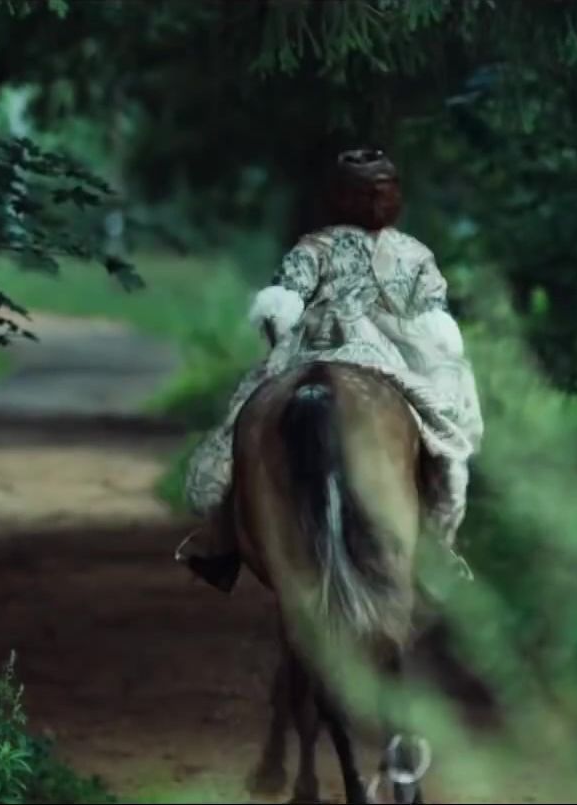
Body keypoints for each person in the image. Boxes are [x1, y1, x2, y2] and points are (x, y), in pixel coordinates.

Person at [173, 148, 484, 593]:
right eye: (365, 193)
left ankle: (222, 539)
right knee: (445, 433)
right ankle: (437, 546)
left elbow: (283, 303)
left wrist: (282, 331)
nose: (374, 202)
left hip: (316, 346)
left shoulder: (317, 247)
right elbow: (433, 318)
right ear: (342, 198)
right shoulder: (411, 254)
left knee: (244, 418)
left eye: (381, 192)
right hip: (387, 352)